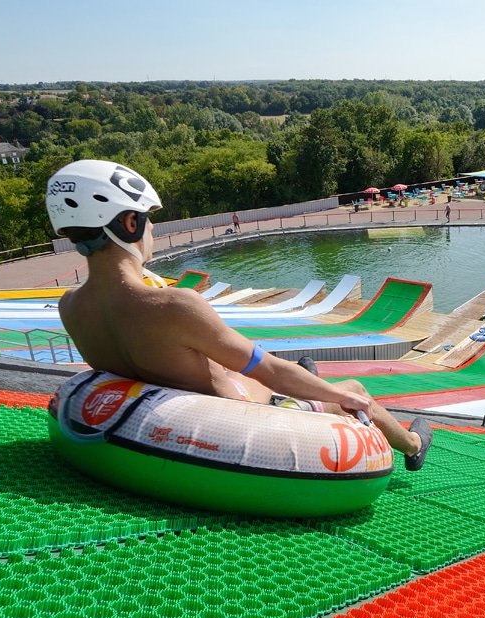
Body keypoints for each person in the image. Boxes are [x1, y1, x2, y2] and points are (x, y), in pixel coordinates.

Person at [46, 159, 432, 471]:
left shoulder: (71, 306)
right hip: (236, 421)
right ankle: (414, 444)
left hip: (176, 405)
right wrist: (340, 398)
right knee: (352, 391)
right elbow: (267, 370)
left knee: (230, 363)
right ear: (130, 224)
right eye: (147, 218)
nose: (152, 228)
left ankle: (304, 383)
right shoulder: (173, 305)